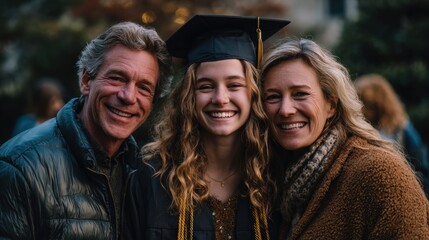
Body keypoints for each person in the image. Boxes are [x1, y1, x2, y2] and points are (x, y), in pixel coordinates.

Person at [122, 14, 289, 240]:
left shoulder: (277, 177)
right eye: (206, 86)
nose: (220, 98)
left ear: (254, 92)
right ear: (188, 96)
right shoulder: (151, 179)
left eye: (234, 85)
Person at [0, 21, 171, 239]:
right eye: (117, 78)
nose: (128, 96)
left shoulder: (142, 172)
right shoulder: (19, 168)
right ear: (86, 80)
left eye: (144, 88)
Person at [260, 38, 429, 239]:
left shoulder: (380, 173)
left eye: (300, 94)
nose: (285, 110)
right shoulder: (277, 181)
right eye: (273, 97)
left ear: (331, 105)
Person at [354, 73, 429, 196]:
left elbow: (423, 172)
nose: (360, 109)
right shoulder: (361, 130)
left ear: (378, 105)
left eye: (364, 104)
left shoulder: (403, 131)